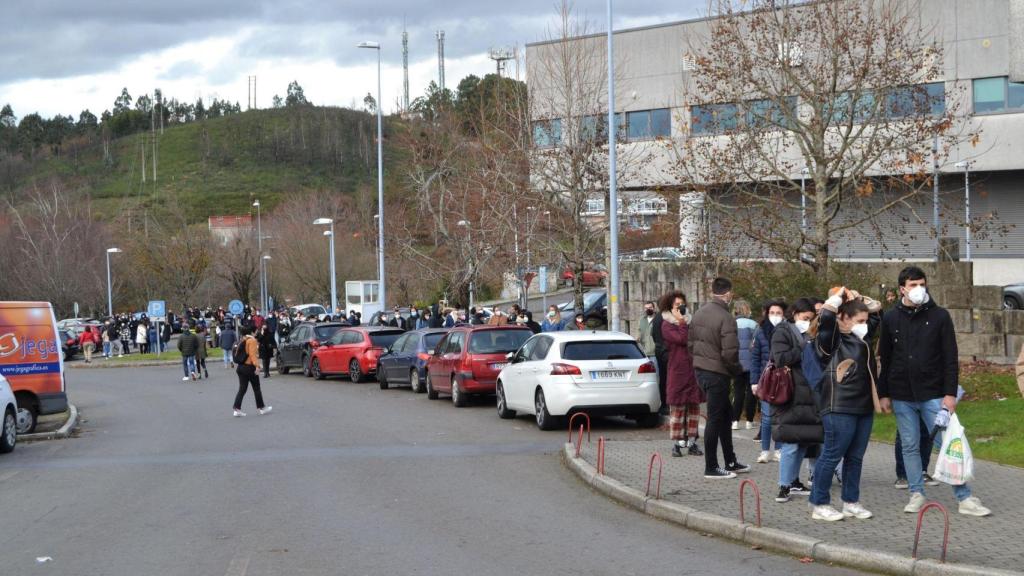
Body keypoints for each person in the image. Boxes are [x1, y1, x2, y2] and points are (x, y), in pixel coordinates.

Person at [877, 266, 991, 517]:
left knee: (948, 443)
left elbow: (950, 357)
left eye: (922, 284)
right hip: (901, 394)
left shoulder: (939, 316)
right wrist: (883, 392)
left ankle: (964, 497)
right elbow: (885, 357)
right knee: (909, 445)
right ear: (902, 289)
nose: (918, 289)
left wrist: (950, 395)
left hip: (933, 393)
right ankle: (916, 493)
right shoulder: (891, 318)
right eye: (913, 284)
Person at [808, 287, 880, 522]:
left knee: (855, 457)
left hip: (863, 405)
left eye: (865, 321)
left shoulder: (861, 339)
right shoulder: (832, 338)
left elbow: (877, 310)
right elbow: (827, 315)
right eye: (859, 320)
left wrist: (859, 299)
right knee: (831, 454)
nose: (864, 324)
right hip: (839, 405)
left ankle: (851, 501)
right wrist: (839, 296)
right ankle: (819, 503)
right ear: (844, 318)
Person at [689, 277, 749, 479]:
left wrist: (699, 363)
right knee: (715, 419)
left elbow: (691, 344)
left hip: (702, 371)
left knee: (725, 415)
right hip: (718, 373)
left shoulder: (698, 314)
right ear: (728, 293)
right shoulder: (726, 317)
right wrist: (736, 370)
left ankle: (730, 461)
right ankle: (711, 466)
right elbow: (730, 352)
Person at [769, 298, 819, 503]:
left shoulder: (811, 333)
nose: (807, 322)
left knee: (803, 441)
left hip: (809, 394)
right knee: (790, 441)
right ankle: (783, 485)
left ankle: (794, 481)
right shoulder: (783, 331)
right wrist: (805, 346)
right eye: (804, 318)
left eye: (810, 319)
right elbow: (780, 358)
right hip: (790, 393)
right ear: (795, 314)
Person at [660, 291, 704, 457]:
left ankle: (692, 442)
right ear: (670, 306)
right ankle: (677, 443)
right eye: (677, 305)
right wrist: (680, 322)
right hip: (678, 371)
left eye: (682, 304)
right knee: (678, 409)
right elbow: (681, 339)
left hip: (693, 370)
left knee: (693, 408)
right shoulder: (667, 324)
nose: (680, 307)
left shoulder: (690, 322)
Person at [750, 299, 786, 462]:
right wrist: (754, 382)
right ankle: (765, 450)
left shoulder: (788, 331)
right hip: (765, 380)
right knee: (766, 417)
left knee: (780, 417)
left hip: (783, 379)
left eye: (778, 313)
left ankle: (779, 449)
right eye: (772, 313)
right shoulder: (760, 332)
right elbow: (755, 358)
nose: (775, 316)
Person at [233, 327, 271, 417]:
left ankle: (236, 409)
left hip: (240, 367)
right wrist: (257, 366)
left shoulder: (242, 339)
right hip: (249, 367)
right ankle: (261, 408)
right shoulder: (252, 341)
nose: (257, 333)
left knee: (242, 389)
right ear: (252, 332)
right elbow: (253, 355)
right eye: (256, 331)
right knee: (256, 388)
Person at [732, 300, 757, 431]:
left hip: (737, 363)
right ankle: (749, 420)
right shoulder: (753, 324)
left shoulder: (732, 324)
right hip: (751, 363)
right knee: (751, 392)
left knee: (738, 392)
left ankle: (735, 420)